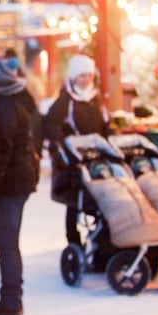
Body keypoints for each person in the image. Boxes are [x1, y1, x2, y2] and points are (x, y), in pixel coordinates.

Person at [0, 59, 39, 315]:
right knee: (9, 243)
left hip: (10, 183)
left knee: (7, 243)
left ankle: (11, 301)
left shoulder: (4, 106)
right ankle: (12, 298)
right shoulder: (20, 99)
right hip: (21, 179)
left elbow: (3, 150)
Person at [43, 53, 114, 252]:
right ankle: (74, 243)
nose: (85, 80)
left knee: (101, 199)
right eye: (82, 75)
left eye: (89, 76)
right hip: (74, 159)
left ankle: (102, 243)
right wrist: (61, 146)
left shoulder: (96, 99)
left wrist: (110, 138)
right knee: (74, 203)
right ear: (74, 77)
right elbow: (52, 123)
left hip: (97, 157)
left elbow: (106, 124)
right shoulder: (66, 99)